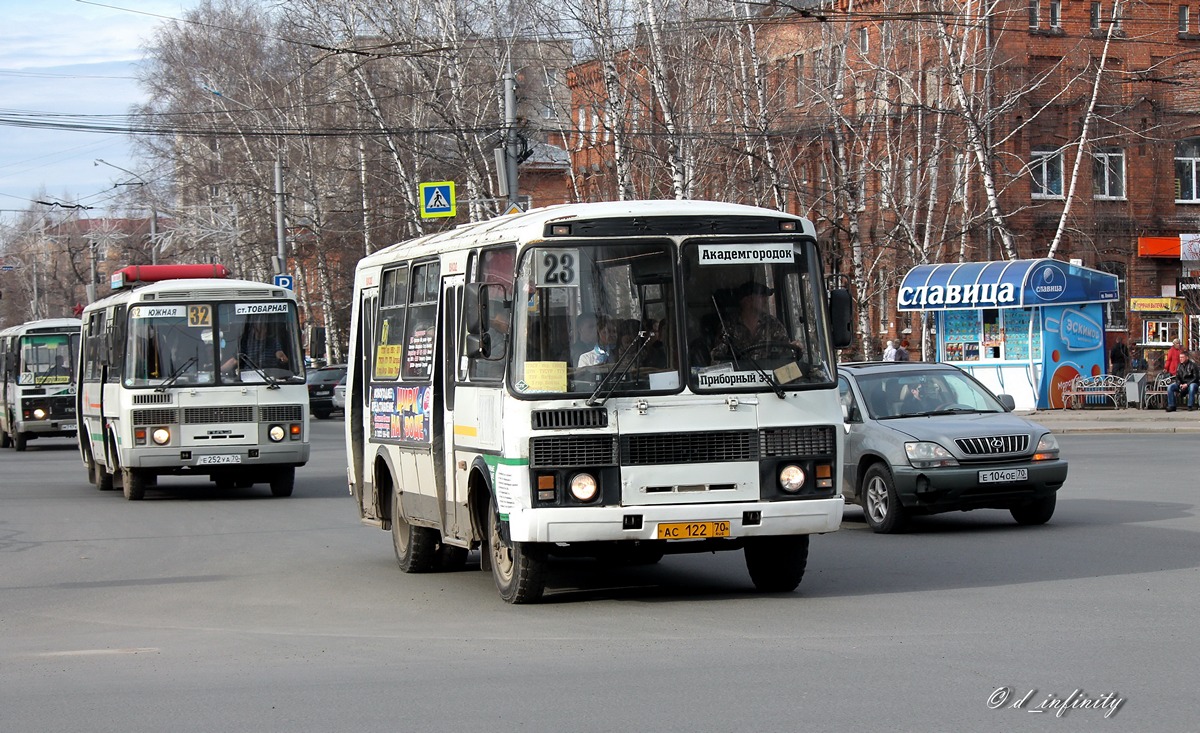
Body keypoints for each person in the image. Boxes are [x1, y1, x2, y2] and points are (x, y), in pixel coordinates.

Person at [710, 280, 790, 361]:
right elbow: (717, 358)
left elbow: (786, 353)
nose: (766, 300)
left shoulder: (773, 324)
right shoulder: (729, 326)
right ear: (747, 300)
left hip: (768, 372)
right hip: (740, 372)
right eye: (761, 296)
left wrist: (795, 349)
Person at [223, 320, 290, 372]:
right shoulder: (246, 343)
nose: (260, 330)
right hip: (250, 376)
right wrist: (218, 371)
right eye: (258, 327)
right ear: (253, 329)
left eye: (262, 327)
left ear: (266, 329)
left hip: (270, 375)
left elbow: (280, 354)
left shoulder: (273, 342)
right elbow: (235, 360)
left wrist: (281, 357)